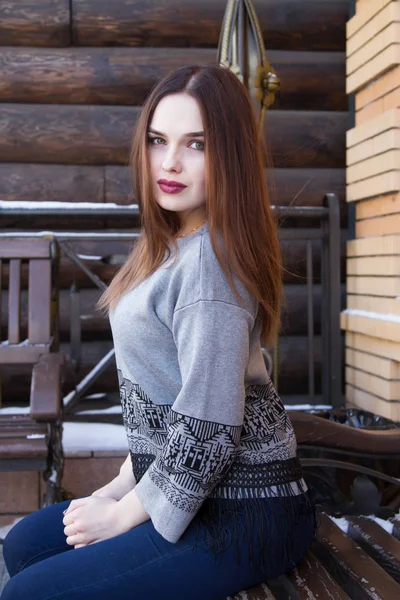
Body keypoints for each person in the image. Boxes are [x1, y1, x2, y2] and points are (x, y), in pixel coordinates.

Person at [2, 64, 316, 600]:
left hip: (247, 510)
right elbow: (165, 401)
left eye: (196, 143)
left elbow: (208, 428)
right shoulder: (170, 246)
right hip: (201, 487)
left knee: (27, 591)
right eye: (157, 140)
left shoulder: (208, 270)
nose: (169, 163)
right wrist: (124, 483)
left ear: (230, 156)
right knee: (27, 543)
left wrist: (124, 514)